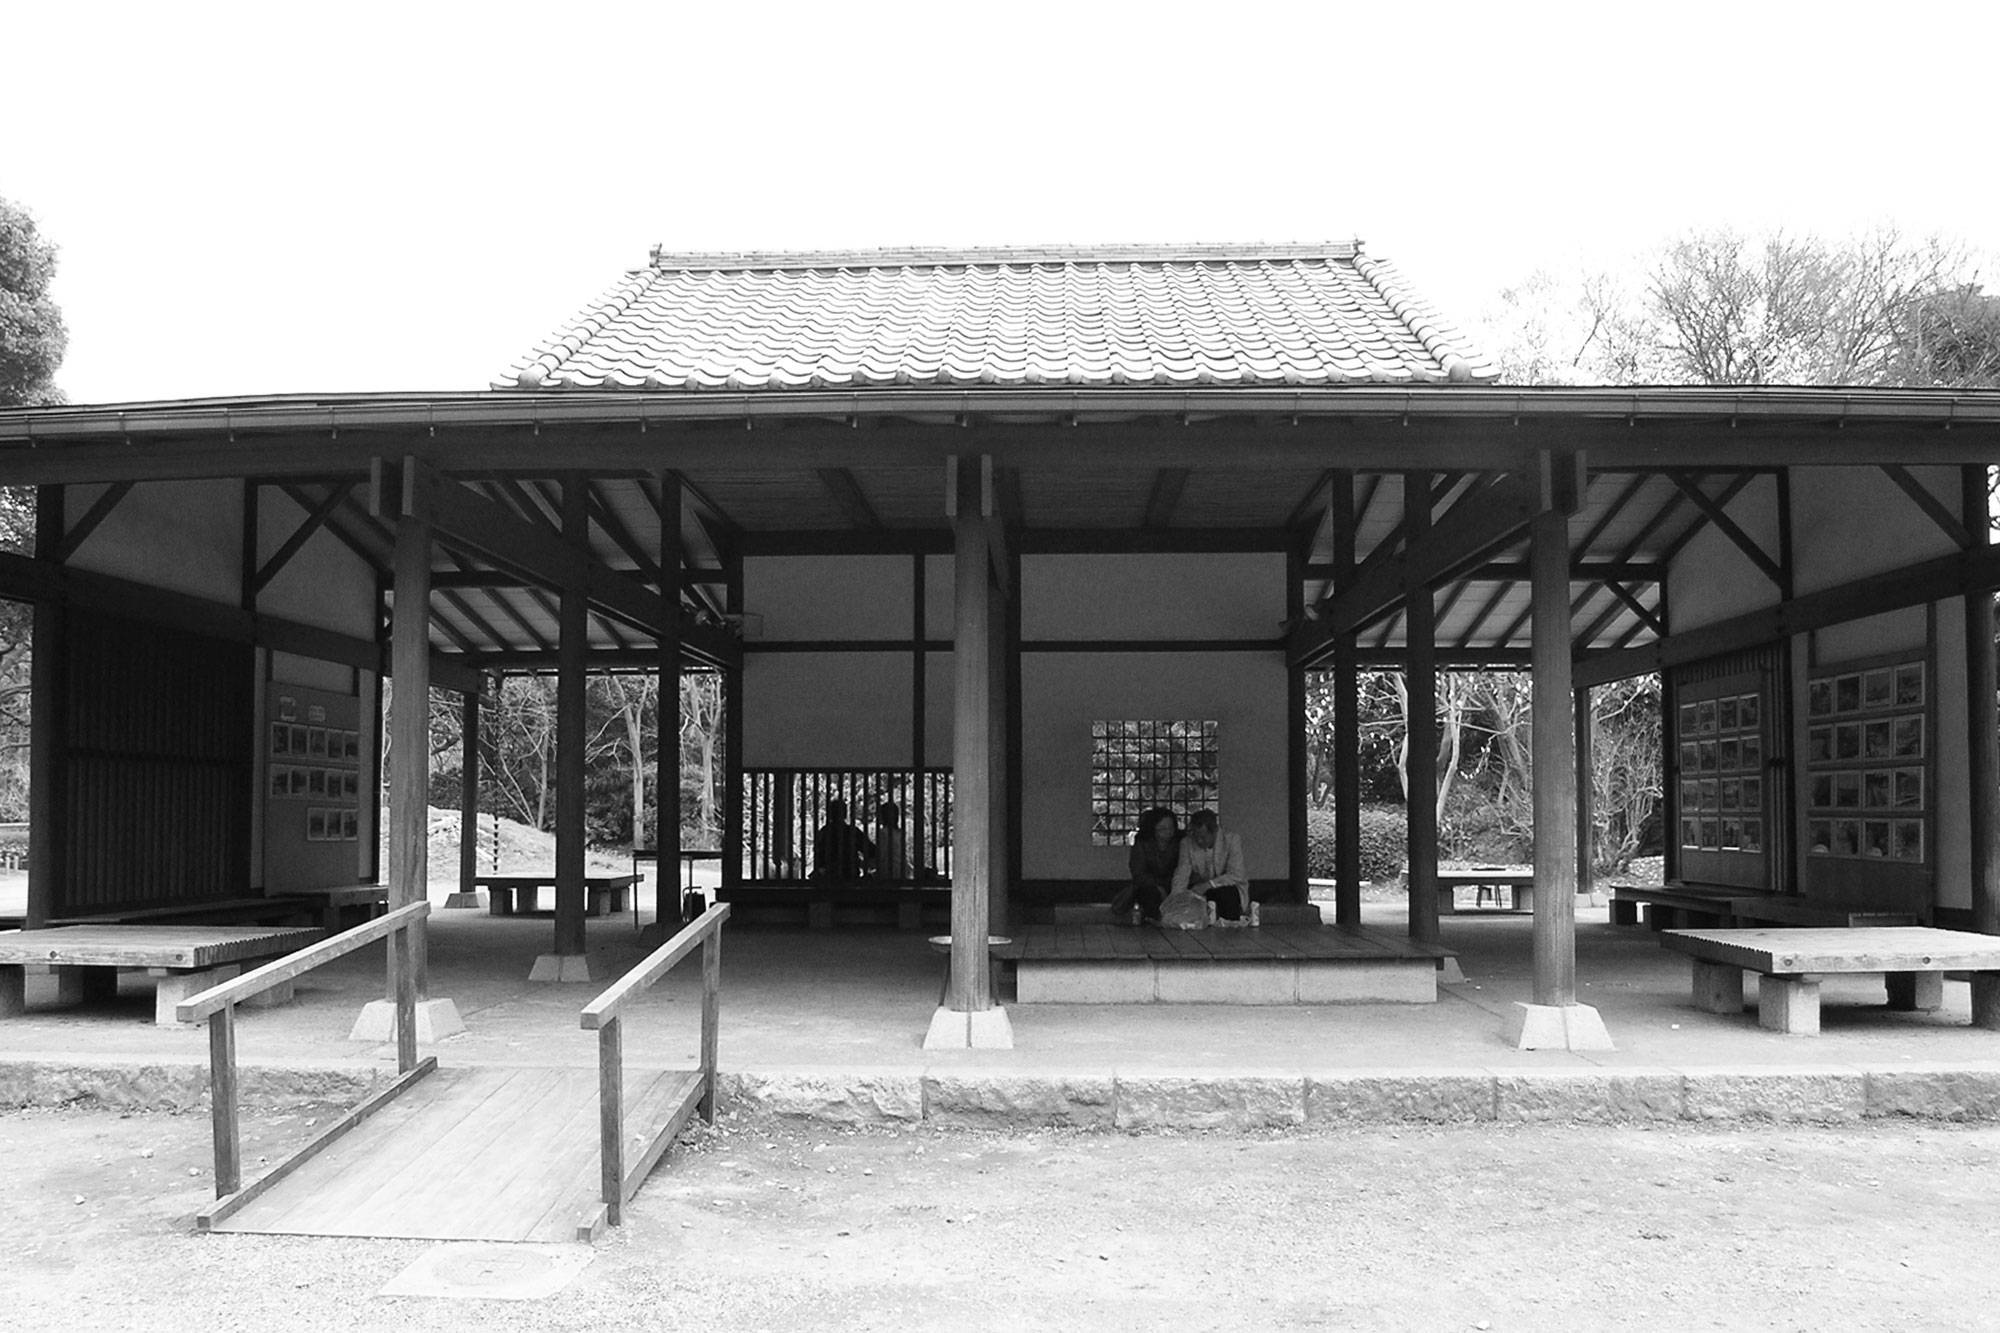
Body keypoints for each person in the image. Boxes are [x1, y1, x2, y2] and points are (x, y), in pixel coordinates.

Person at [1173, 809, 1250, 922]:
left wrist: (1209, 884)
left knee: (1226, 894)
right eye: (1196, 837)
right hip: (1200, 890)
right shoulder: (1187, 843)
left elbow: (1236, 875)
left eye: (1203, 837)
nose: (1199, 841)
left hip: (1227, 889)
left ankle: (1230, 927)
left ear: (1214, 831)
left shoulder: (1231, 840)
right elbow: (1182, 873)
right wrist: (1176, 898)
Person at [1112, 807, 1180, 925]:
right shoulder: (1143, 844)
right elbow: (1138, 873)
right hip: (1149, 886)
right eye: (1163, 829)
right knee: (1149, 894)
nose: (1168, 832)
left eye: (1171, 828)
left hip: (1174, 884)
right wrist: (1158, 887)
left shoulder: (1179, 843)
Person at [811, 798, 875, 882]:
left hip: (828, 879)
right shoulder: (852, 832)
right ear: (845, 814)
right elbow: (871, 851)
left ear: (829, 814)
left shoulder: (824, 832)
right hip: (850, 877)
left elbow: (818, 855)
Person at [871, 801, 907, 881]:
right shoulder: (900, 832)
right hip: (902, 870)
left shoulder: (883, 832)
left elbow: (882, 856)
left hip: (887, 871)